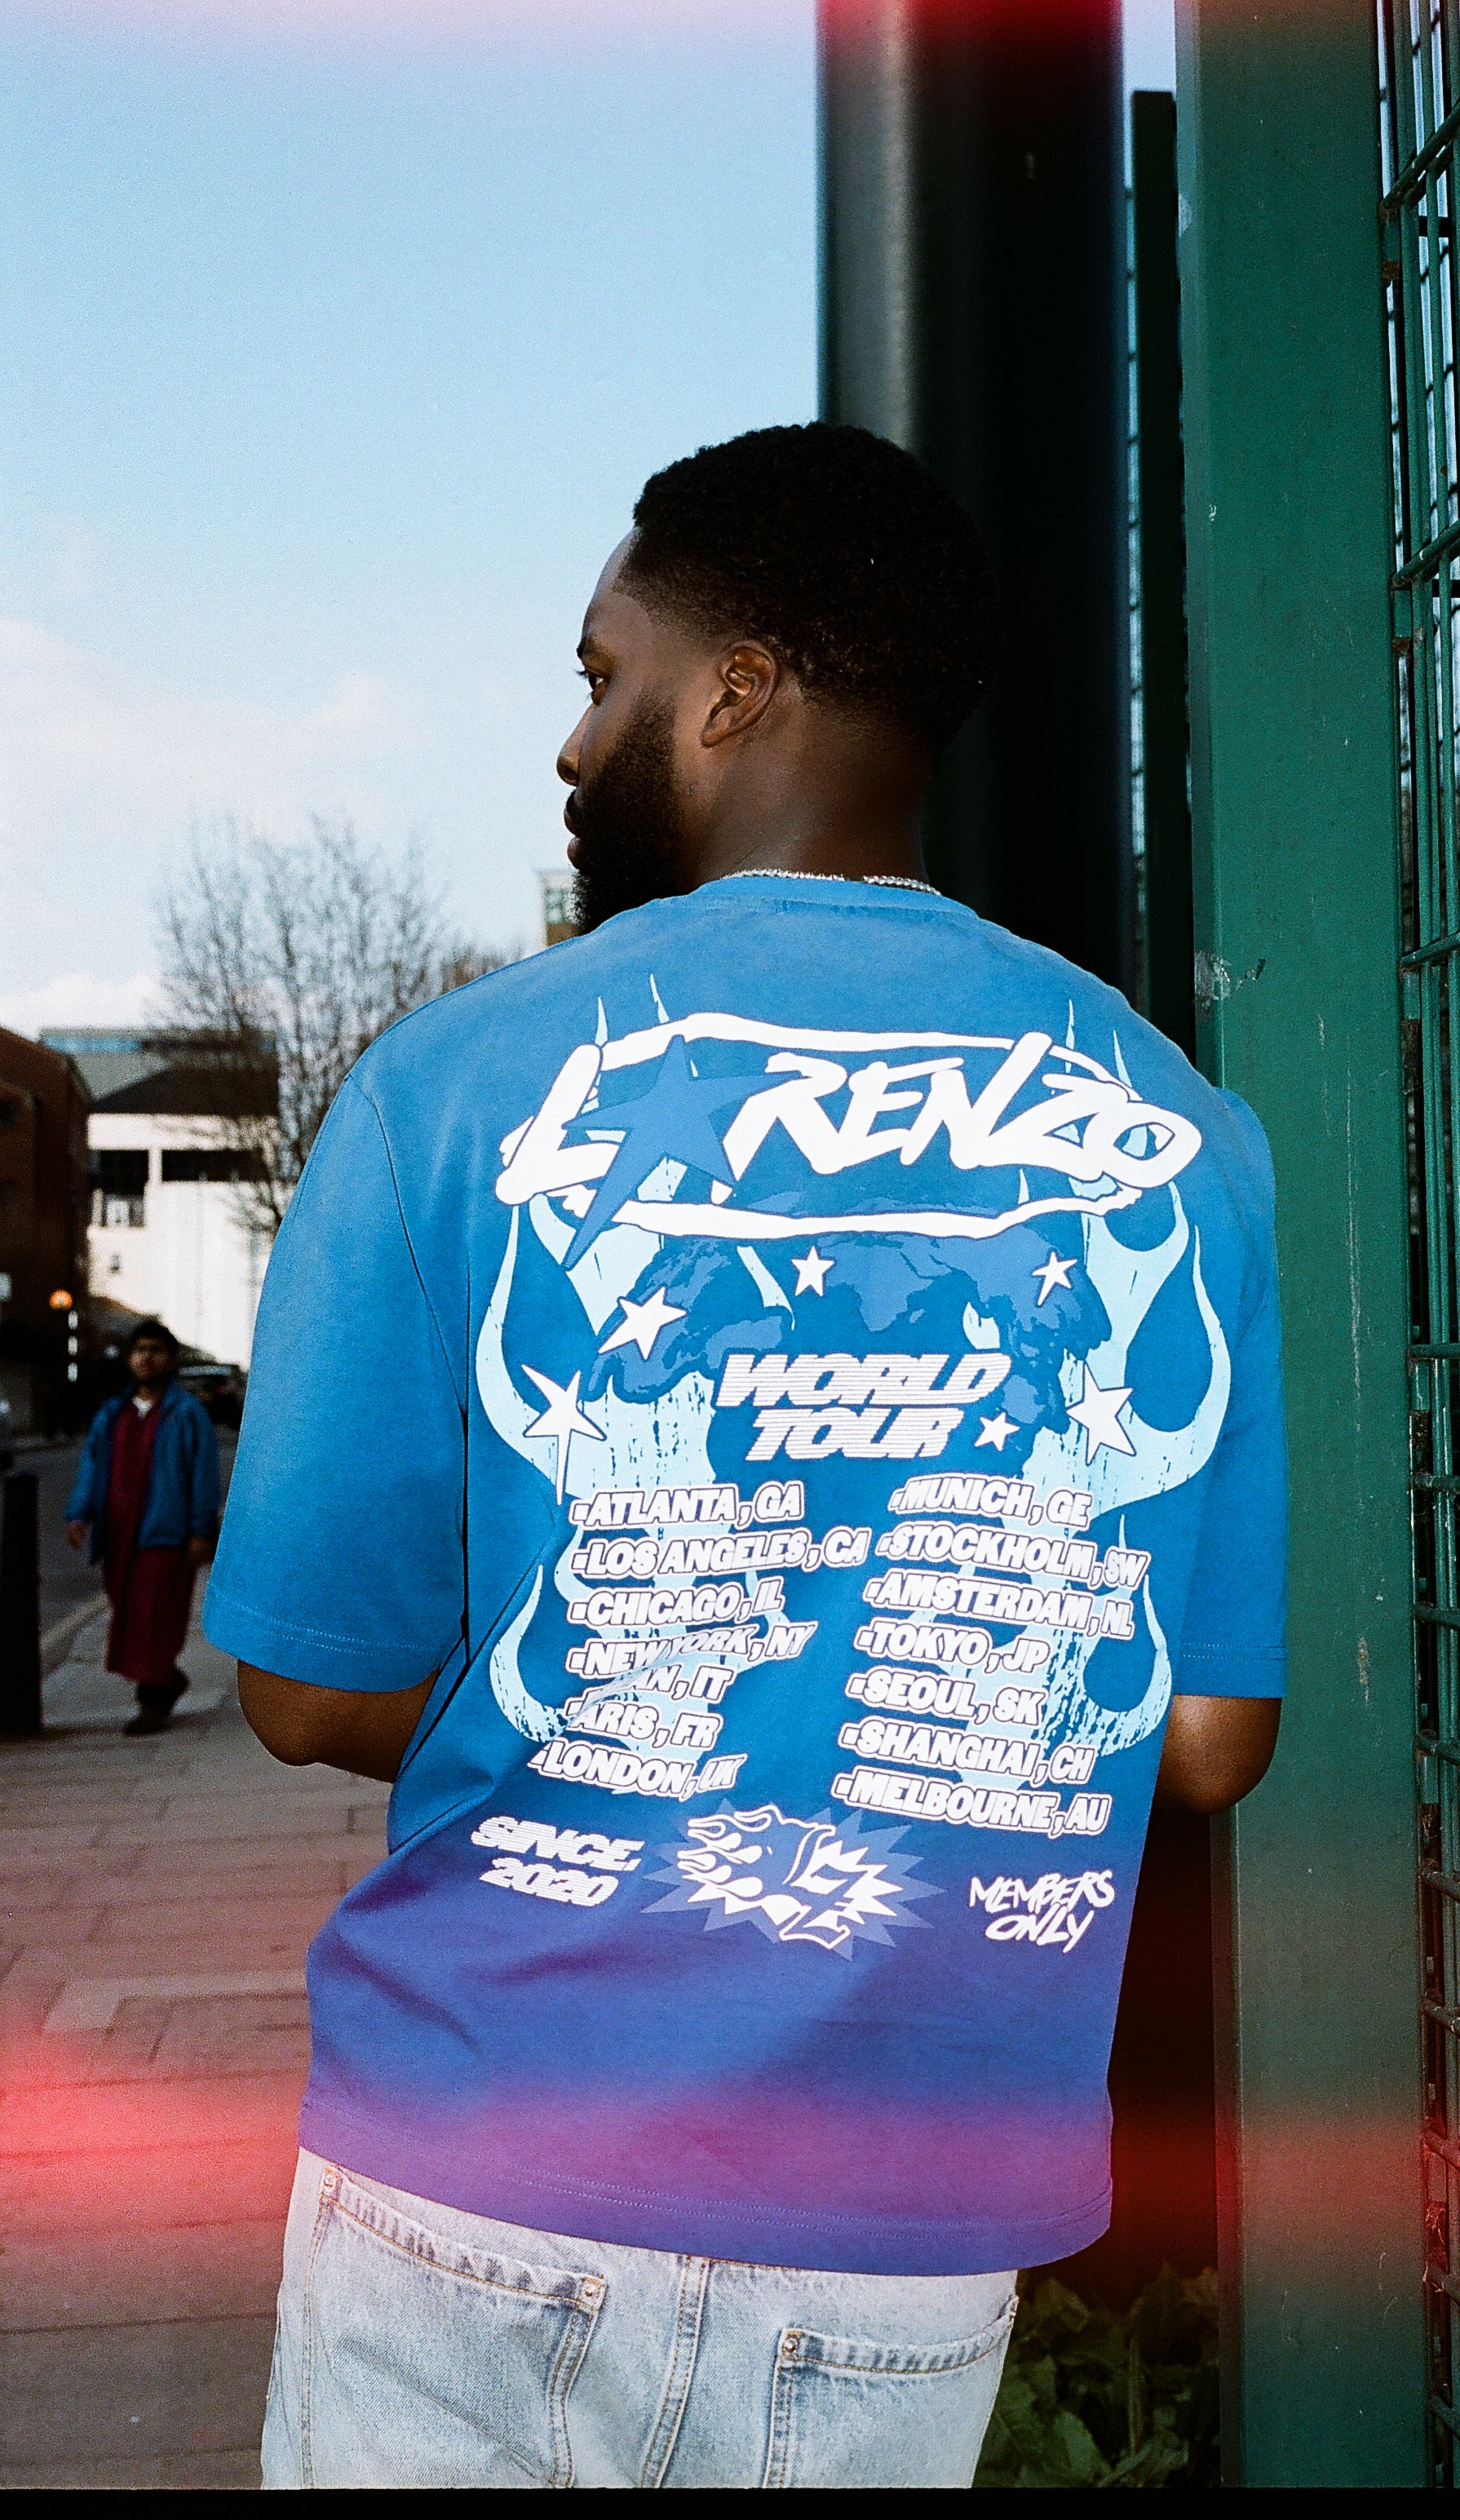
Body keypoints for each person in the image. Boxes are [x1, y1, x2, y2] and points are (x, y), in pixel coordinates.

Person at [207, 423, 1286, 2492]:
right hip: (912, 2206)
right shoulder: (1180, 1127)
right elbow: (1210, 1732)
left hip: (481, 2156)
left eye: (601, 673)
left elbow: (305, 1689)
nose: (570, 741)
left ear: (735, 690)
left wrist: (661, 1713)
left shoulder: (452, 1084)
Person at [66, 1318, 221, 1736]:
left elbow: (203, 1475)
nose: (146, 1357)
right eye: (139, 1350)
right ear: (129, 1359)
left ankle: (152, 1702)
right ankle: (168, 1680)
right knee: (129, 1612)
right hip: (119, 1534)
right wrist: (79, 1514)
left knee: (155, 1616)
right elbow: (92, 1465)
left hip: (165, 1533)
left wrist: (201, 1531)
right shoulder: (112, 1413)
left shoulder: (186, 1413)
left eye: (155, 1350)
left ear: (170, 1359)